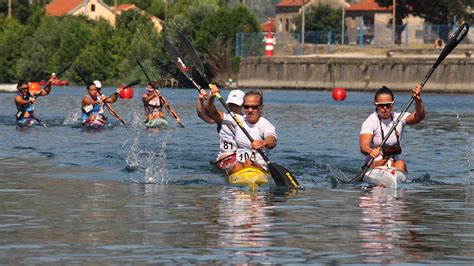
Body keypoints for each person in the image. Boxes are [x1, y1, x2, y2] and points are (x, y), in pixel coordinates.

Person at [206, 86, 276, 174]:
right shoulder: (238, 120)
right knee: (238, 164)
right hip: (239, 165)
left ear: (261, 107)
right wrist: (211, 97)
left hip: (259, 167)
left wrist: (262, 143)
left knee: (248, 162)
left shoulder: (264, 124)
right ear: (243, 107)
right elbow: (211, 112)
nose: (250, 110)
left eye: (254, 107)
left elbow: (272, 141)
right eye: (247, 107)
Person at [360, 85, 425, 172]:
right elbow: (363, 146)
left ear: (392, 104)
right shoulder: (370, 122)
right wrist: (370, 150)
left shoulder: (399, 118)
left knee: (401, 164)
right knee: (386, 162)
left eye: (388, 105)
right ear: (375, 104)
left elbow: (419, 117)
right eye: (381, 105)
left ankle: (396, 180)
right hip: (374, 162)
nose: (385, 108)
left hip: (394, 161)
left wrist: (418, 100)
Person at [198, 86, 245, 170]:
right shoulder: (221, 118)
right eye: (231, 104)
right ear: (227, 103)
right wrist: (201, 100)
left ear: (243, 105)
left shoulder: (248, 120)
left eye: (236, 104)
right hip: (226, 157)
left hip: (244, 155)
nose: (233, 106)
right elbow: (202, 114)